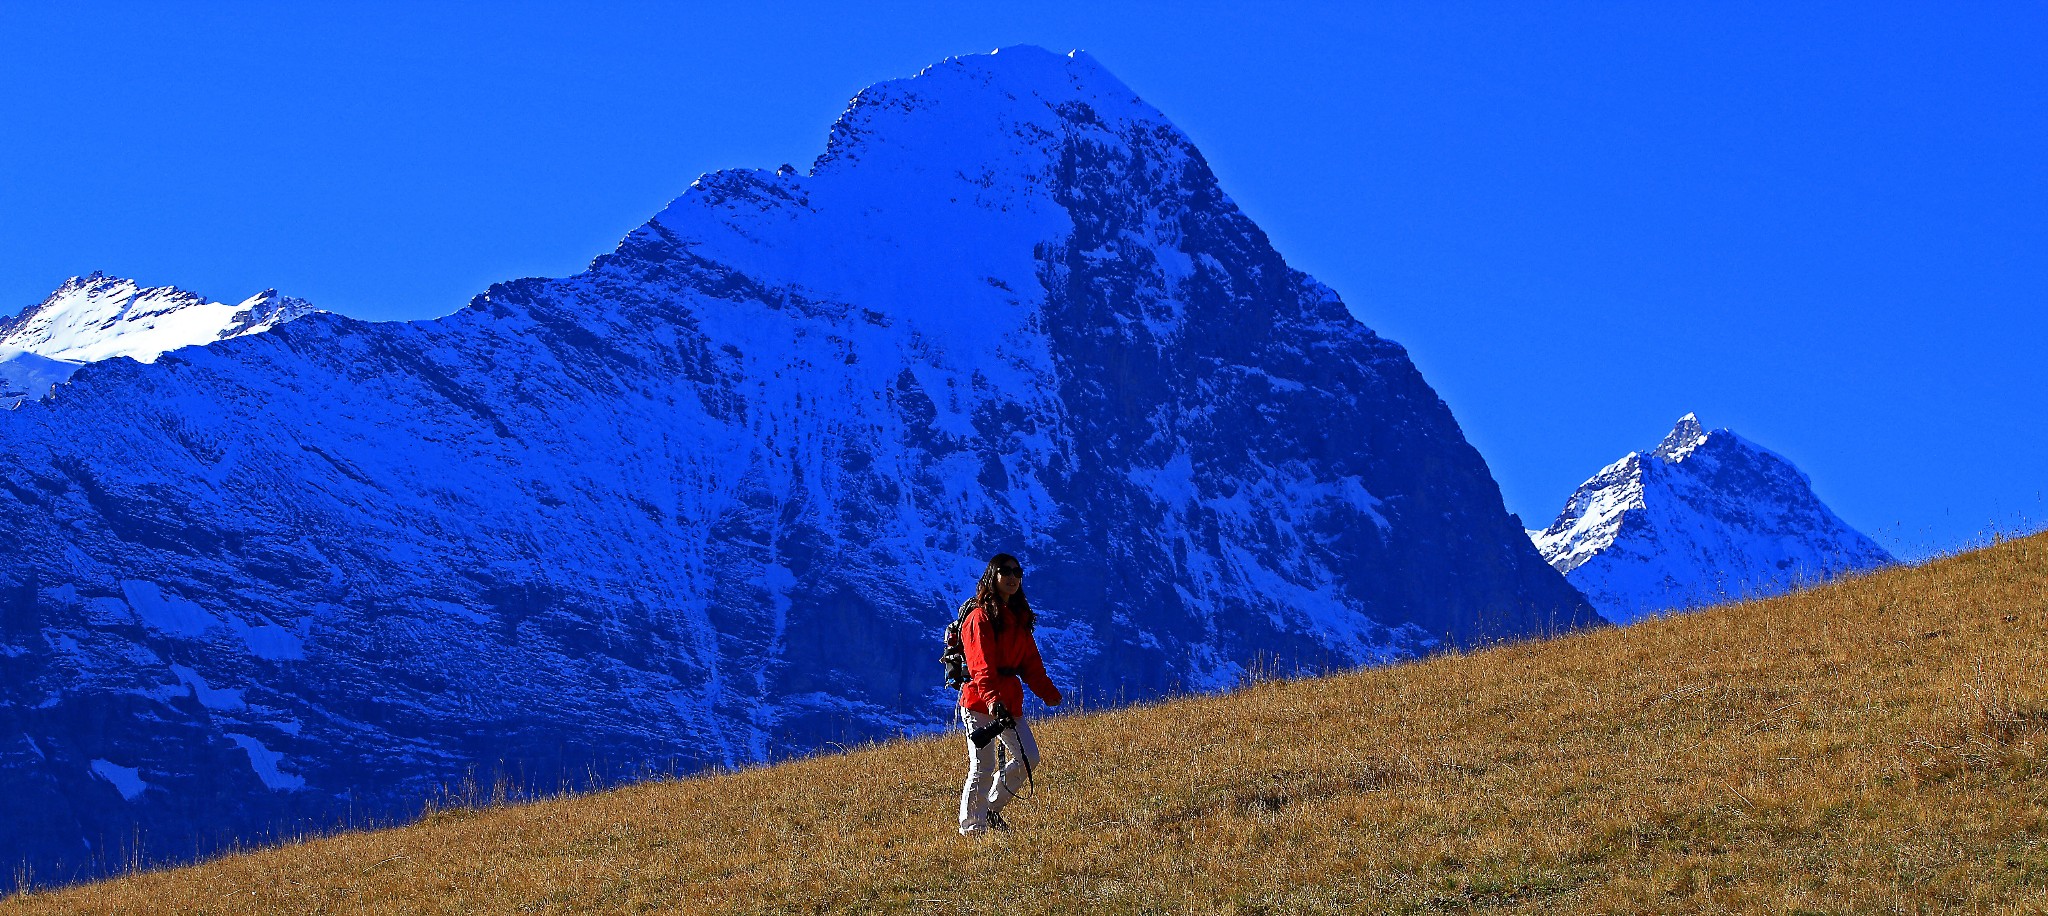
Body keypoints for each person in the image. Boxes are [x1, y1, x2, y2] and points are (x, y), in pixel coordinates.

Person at [956, 553, 1062, 836]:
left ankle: (990, 809)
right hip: (979, 703)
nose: (1013, 577)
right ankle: (972, 830)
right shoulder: (979, 618)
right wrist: (993, 701)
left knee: (1029, 756)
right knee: (983, 765)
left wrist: (1048, 694)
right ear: (993, 576)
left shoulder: (1019, 618)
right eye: (1006, 571)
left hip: (1008, 704)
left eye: (1017, 572)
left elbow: (1030, 664)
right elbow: (980, 666)